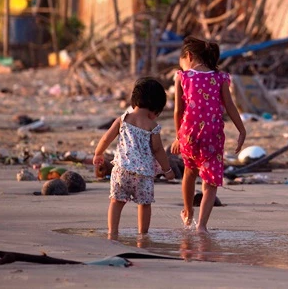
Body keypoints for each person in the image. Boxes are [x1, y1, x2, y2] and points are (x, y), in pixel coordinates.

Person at [171, 36, 246, 233]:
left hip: (189, 133)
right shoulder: (220, 78)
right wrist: (241, 129)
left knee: (189, 172)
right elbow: (230, 106)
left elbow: (178, 111)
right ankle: (202, 226)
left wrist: (178, 136)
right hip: (213, 135)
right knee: (210, 182)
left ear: (188, 56)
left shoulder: (183, 77)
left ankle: (188, 213)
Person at [93, 77, 175, 239]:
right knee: (144, 205)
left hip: (121, 171)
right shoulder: (152, 126)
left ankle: (112, 232)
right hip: (143, 176)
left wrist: (98, 153)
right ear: (155, 109)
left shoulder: (123, 120)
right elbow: (158, 150)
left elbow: (106, 139)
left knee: (116, 202)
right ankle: (142, 234)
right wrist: (168, 170)